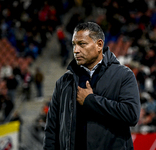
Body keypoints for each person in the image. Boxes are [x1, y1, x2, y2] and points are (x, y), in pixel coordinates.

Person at [43, 22, 141, 150]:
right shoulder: (64, 82)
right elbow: (52, 130)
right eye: (74, 45)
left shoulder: (124, 75)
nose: (76, 50)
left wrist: (90, 101)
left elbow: (131, 115)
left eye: (82, 44)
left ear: (99, 45)